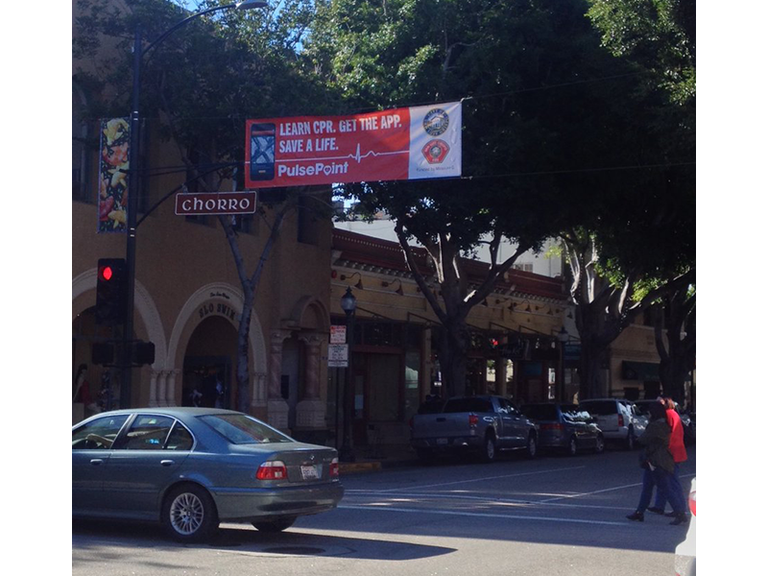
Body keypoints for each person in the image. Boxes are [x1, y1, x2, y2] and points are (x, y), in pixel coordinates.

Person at [627, 401, 688, 525]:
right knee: (650, 486)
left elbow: (644, 439)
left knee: (663, 487)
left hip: (656, 460)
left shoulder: (655, 426)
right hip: (659, 459)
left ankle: (680, 512)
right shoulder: (664, 424)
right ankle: (640, 512)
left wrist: (636, 439)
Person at [648, 397, 688, 517]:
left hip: (671, 451)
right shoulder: (673, 414)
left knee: (672, 481)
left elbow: (665, 433)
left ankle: (680, 509)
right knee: (664, 480)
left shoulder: (668, 415)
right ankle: (660, 505)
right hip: (676, 450)